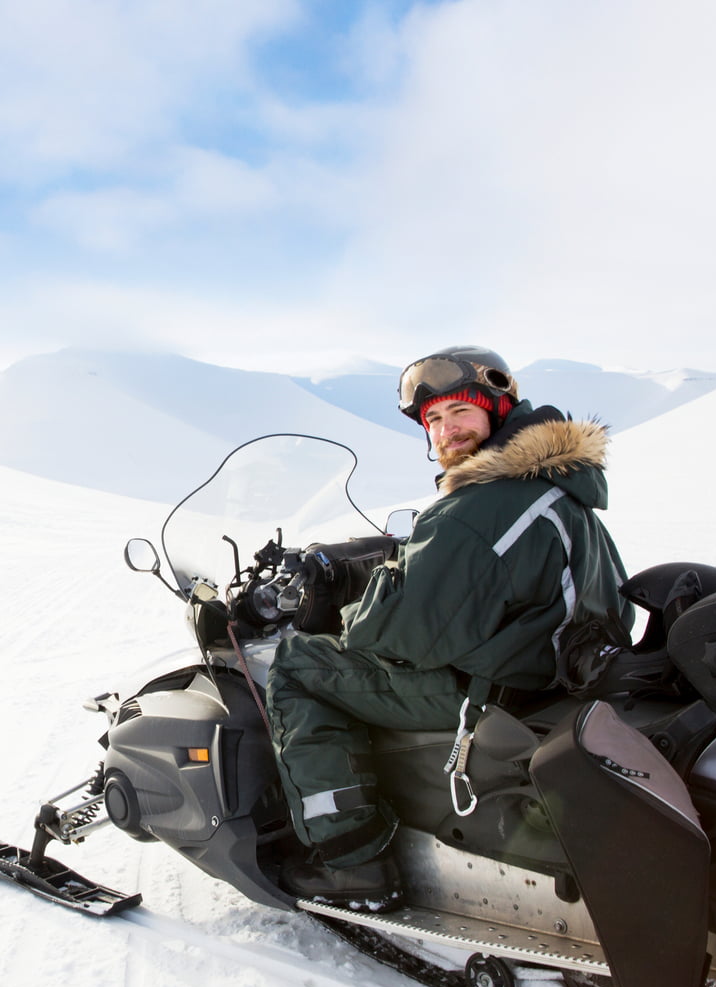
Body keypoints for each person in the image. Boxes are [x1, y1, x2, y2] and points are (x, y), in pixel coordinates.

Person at [267, 345, 632, 910]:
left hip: (483, 692)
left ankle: (352, 858)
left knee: (298, 663)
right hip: (549, 677)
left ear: (498, 410)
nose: (445, 431)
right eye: (433, 420)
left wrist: (354, 606)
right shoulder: (561, 489)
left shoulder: (484, 504)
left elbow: (392, 636)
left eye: (460, 412)